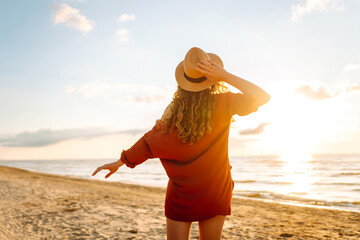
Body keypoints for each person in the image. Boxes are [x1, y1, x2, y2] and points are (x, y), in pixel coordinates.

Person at [92, 47, 270, 240]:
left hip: (181, 195)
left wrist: (120, 162)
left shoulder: (171, 118)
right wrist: (225, 76)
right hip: (216, 190)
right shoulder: (225, 103)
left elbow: (147, 144)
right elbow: (262, 97)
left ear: (183, 83)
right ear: (212, 81)